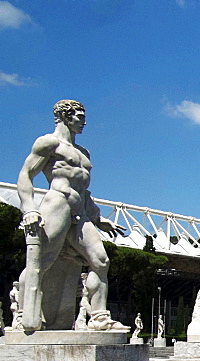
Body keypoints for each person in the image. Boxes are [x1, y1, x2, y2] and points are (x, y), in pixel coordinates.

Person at [15, 100, 127, 332]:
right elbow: (25, 175)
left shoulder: (83, 152)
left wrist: (97, 217)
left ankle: (99, 318)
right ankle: (23, 313)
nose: (84, 121)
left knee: (101, 261)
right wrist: (30, 208)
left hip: (81, 212)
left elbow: (83, 191)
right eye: (79, 116)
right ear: (66, 116)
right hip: (57, 204)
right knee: (41, 262)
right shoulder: (48, 143)